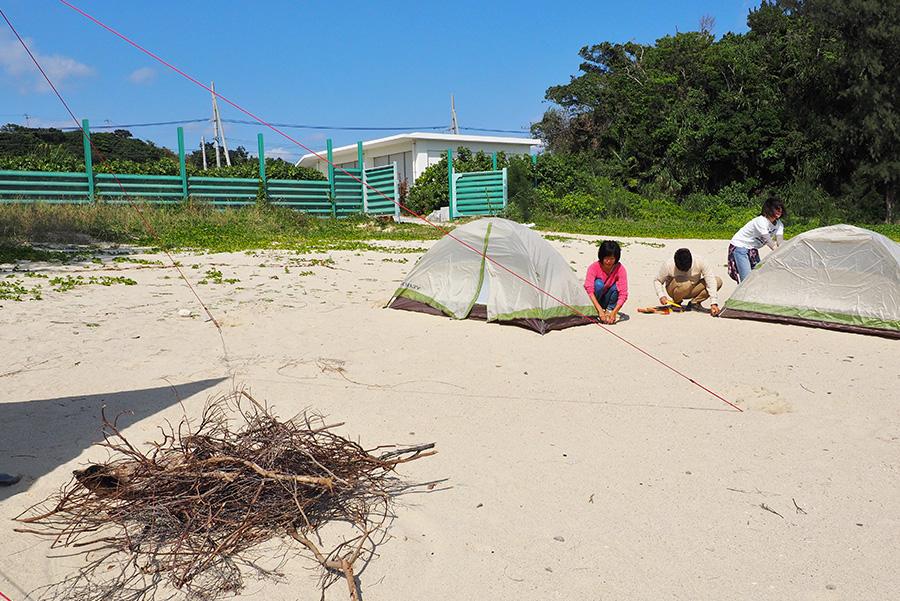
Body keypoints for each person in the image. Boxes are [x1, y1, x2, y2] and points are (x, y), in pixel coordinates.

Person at [728, 197, 786, 283]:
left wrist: (783, 251)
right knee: (747, 279)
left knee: (757, 275)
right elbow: (768, 241)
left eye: (781, 209)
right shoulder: (761, 221)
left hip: (752, 249)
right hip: (740, 247)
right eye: (777, 209)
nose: (779, 211)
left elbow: (780, 241)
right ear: (769, 209)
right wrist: (778, 253)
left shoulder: (779, 224)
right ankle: (742, 296)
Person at [654, 248, 723, 316]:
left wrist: (714, 303)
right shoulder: (668, 264)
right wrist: (661, 295)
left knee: (717, 281)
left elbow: (710, 280)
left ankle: (694, 303)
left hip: (693, 288)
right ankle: (676, 303)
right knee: (686, 284)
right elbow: (658, 280)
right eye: (681, 269)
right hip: (675, 290)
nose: (684, 271)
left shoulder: (700, 261)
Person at [584, 240, 628, 324]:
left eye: (612, 259)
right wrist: (599, 310)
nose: (608, 261)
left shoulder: (620, 269)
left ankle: (609, 310)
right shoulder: (593, 267)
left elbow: (623, 293)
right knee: (598, 284)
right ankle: (596, 309)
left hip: (607, 299)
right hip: (594, 298)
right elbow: (589, 290)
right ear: (601, 257)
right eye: (606, 258)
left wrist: (614, 312)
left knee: (617, 287)